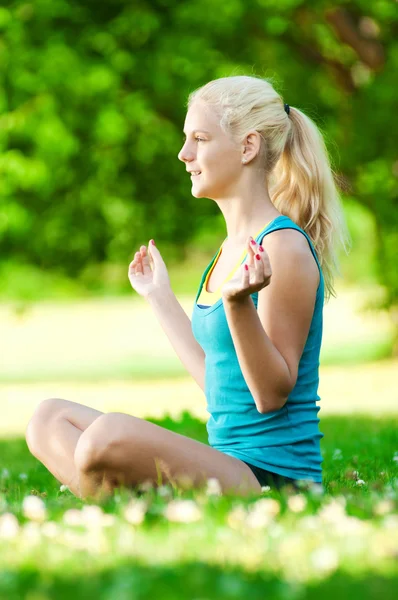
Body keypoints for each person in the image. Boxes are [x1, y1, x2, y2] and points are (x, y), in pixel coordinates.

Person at [25, 75, 350, 500]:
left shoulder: (282, 245)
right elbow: (219, 385)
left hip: (273, 479)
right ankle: (126, 503)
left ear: (248, 147)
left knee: (107, 436)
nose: (184, 154)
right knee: (47, 419)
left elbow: (270, 394)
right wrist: (159, 296)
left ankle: (122, 502)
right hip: (226, 463)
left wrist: (237, 305)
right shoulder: (227, 251)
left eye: (199, 138)